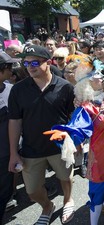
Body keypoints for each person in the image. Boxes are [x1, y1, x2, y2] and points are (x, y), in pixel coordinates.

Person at [44, 59, 104, 225]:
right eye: (95, 75)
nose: (100, 77)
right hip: (101, 159)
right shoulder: (85, 107)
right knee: (97, 193)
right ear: (86, 83)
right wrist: (68, 135)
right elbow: (78, 127)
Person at [8, 45, 75, 224]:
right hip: (31, 149)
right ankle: (47, 206)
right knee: (31, 191)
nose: (30, 66)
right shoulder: (18, 90)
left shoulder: (65, 87)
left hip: (59, 147)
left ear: (49, 62)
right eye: (26, 62)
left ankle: (68, 200)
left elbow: (73, 118)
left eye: (35, 62)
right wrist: (14, 153)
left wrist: (75, 139)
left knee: (65, 178)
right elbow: (15, 121)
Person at [0, 53, 21, 224]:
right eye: (9, 67)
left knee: (5, 191)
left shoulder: (11, 90)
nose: (12, 70)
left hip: (8, 153)